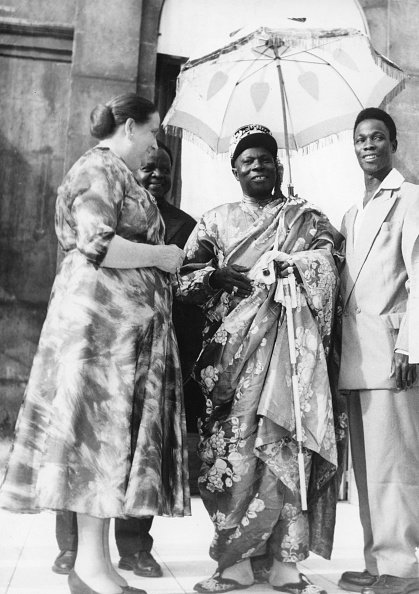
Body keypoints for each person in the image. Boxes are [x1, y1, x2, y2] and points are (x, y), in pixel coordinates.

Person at [0, 92, 189, 594]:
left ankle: (95, 565)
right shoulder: (97, 169)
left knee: (105, 449)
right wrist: (163, 255)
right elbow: (98, 243)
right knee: (94, 444)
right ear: (128, 127)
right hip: (98, 336)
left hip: (117, 337)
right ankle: (89, 568)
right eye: (150, 132)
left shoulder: (116, 173)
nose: (153, 144)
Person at [178, 124, 346, 594]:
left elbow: (333, 259)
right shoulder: (215, 219)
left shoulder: (306, 218)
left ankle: (286, 564)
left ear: (278, 166)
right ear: (235, 170)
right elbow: (183, 282)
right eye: (247, 161)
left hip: (291, 357)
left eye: (265, 159)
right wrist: (215, 278)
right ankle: (233, 564)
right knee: (234, 454)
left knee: (285, 447)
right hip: (232, 358)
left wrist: (300, 263)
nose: (257, 167)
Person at [51, 140, 200, 581]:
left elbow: (187, 279)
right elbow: (89, 251)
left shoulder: (181, 224)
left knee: (138, 446)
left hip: (150, 343)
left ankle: (134, 548)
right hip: (103, 339)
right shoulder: (105, 196)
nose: (155, 175)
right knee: (90, 437)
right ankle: (72, 549)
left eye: (164, 170)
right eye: (148, 166)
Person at [338, 107, 419, 594]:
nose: (368, 145)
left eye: (377, 137)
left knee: (396, 465)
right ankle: (376, 559)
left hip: (393, 352)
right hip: (356, 355)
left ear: (392, 143)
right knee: (368, 468)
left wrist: (413, 344)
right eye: (360, 139)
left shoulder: (411, 199)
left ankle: (403, 568)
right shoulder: (352, 211)